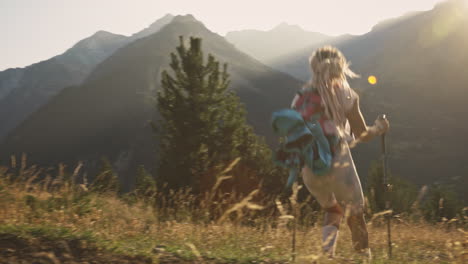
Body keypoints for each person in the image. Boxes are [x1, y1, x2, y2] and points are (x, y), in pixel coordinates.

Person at [290, 46, 389, 258]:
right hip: (339, 164)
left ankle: (327, 256)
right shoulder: (346, 94)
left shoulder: (302, 97)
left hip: (311, 167)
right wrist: (380, 127)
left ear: (314, 67)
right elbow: (362, 134)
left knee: (332, 209)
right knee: (356, 215)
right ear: (340, 66)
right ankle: (363, 259)